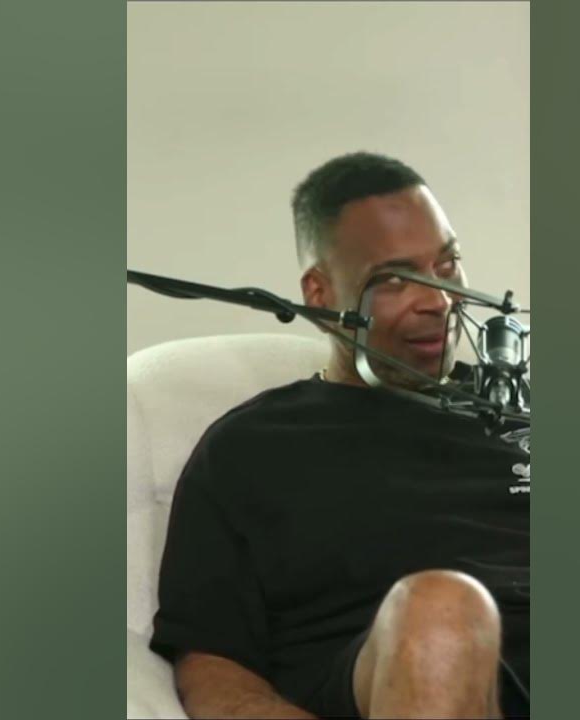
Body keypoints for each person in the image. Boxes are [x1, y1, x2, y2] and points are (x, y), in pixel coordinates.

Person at [149, 152, 530, 719]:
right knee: (440, 613)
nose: (438, 300)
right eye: (397, 279)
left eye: (447, 265)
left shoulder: (526, 406)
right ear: (320, 293)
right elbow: (212, 666)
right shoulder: (251, 448)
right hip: (416, 680)